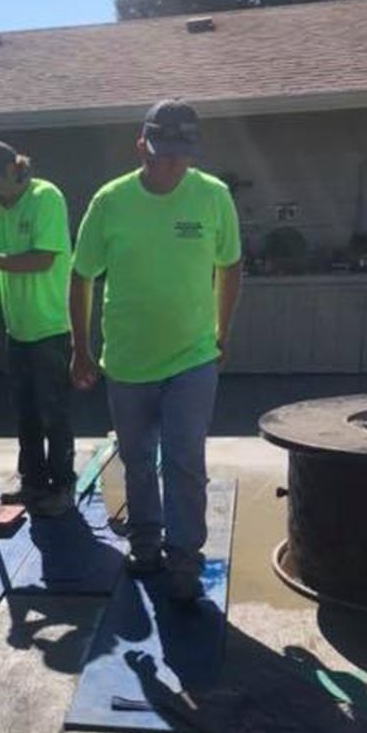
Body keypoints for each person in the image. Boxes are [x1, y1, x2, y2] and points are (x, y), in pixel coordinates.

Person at [70, 99, 242, 600]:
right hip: (128, 362)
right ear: (140, 146)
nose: (170, 164)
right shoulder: (111, 201)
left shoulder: (213, 196)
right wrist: (80, 348)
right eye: (161, 152)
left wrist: (222, 331)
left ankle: (185, 560)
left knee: (185, 460)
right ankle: (145, 543)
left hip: (193, 357)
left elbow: (230, 264)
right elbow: (81, 276)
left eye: (180, 154)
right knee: (138, 459)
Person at [0, 141, 75, 517]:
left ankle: (63, 486)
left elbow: (43, 259)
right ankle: (33, 482)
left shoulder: (46, 198)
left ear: (13, 169)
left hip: (51, 326)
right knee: (25, 411)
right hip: (18, 327)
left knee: (53, 412)